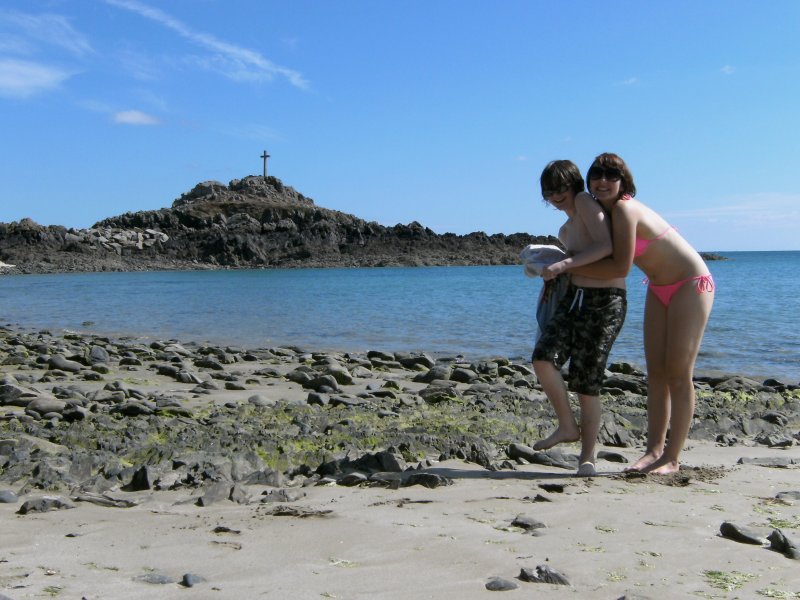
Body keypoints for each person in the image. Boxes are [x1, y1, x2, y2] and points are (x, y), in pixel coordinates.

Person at [563, 153, 715, 475]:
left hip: (691, 283)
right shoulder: (603, 213)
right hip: (659, 286)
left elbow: (620, 267)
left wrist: (566, 265)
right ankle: (653, 451)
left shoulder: (624, 208)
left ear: (624, 183)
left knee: (678, 371)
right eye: (596, 175)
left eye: (611, 175)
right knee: (655, 373)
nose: (602, 181)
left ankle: (672, 459)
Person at [531, 160, 627, 476]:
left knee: (587, 380)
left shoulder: (586, 201)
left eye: (561, 189)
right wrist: (553, 276)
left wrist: (563, 265)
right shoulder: (564, 228)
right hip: (574, 298)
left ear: (573, 185)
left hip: (606, 301)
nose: (556, 196)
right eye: (550, 192)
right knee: (543, 358)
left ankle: (587, 457)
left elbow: (606, 245)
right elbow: (578, 263)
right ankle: (567, 427)